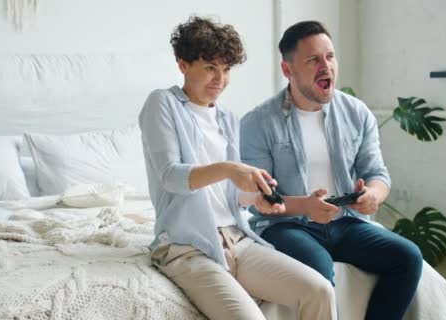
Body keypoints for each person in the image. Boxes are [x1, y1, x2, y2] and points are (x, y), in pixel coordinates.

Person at [138, 16, 336, 320]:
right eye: (210, 68)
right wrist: (230, 169)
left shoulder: (228, 118)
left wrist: (254, 198)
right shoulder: (162, 103)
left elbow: (230, 197)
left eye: (226, 69)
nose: (220, 79)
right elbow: (170, 176)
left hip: (238, 240)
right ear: (183, 65)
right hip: (187, 248)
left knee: (319, 291)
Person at [240, 20, 423, 320]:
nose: (326, 66)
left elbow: (377, 172)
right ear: (288, 70)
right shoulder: (257, 123)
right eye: (313, 60)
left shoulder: (357, 113)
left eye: (330, 56)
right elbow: (261, 197)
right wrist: (306, 207)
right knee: (319, 270)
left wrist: (372, 195)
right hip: (287, 226)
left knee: (408, 257)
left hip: (346, 222)